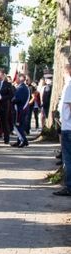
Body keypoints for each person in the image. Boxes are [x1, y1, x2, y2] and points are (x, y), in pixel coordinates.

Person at [53, 62, 71, 196]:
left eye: (63, 73)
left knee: (68, 159)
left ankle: (69, 186)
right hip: (67, 126)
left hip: (69, 128)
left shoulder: (69, 86)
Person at [0, 69, 14, 144]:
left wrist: (2, 98)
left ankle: (6, 139)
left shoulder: (8, 84)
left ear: (3, 75)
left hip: (4, 106)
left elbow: (11, 95)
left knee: (4, 122)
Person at [11, 74, 30, 148]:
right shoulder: (22, 87)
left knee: (18, 126)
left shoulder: (22, 88)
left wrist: (13, 100)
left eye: (17, 78)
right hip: (20, 109)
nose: (16, 79)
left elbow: (18, 99)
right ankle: (19, 140)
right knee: (19, 125)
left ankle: (24, 140)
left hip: (20, 110)